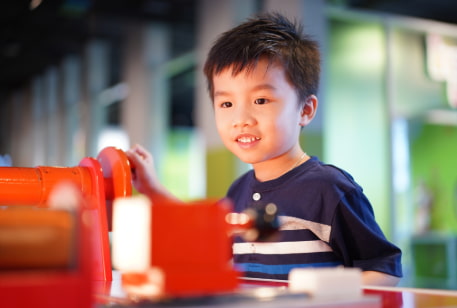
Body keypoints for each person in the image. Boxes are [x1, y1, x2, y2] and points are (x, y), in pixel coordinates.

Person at [127, 12, 402, 286]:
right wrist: (152, 189)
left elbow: (385, 271)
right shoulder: (237, 191)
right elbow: (203, 238)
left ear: (305, 110)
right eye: (226, 104)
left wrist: (321, 296)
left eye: (260, 100)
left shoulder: (329, 189)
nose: (241, 119)